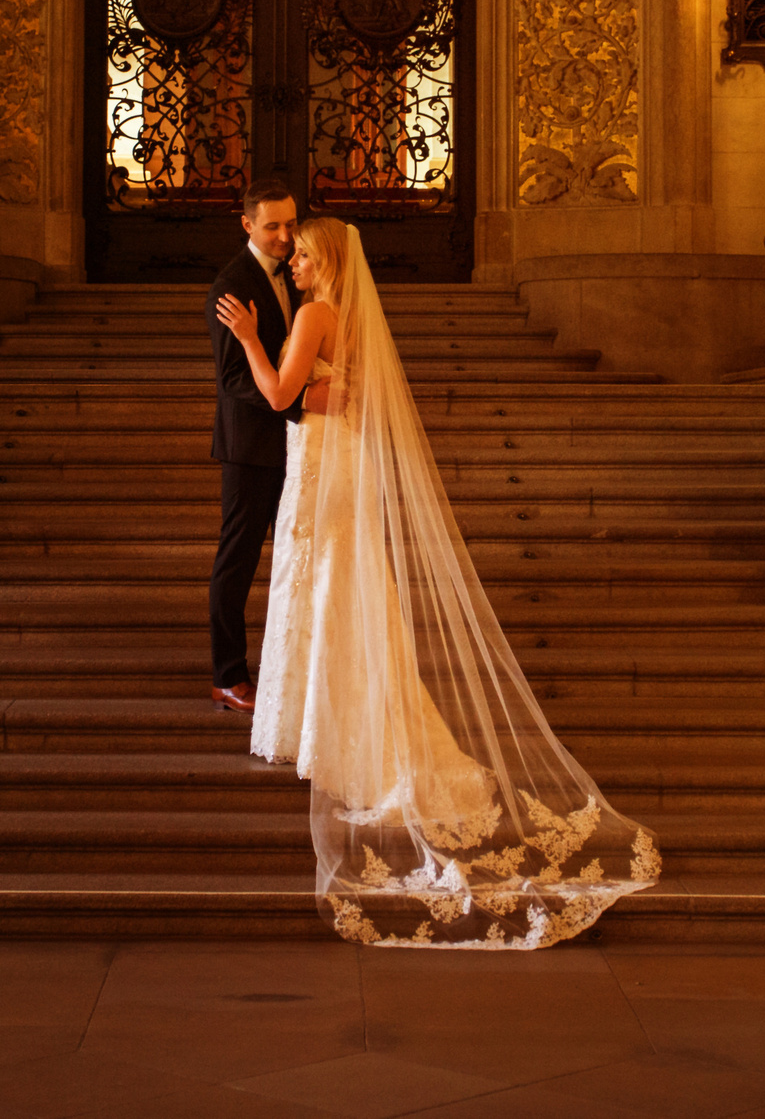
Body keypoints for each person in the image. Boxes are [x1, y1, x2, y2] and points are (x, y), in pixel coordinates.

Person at [215, 217, 662, 948]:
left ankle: (336, 734)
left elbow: (274, 394)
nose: (290, 262)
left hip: (325, 473)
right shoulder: (346, 316)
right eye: (288, 251)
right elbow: (332, 393)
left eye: (300, 253)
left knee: (326, 588)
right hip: (336, 463)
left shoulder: (318, 313)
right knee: (345, 593)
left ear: (323, 260)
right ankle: (341, 722)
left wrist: (248, 341)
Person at [205, 177, 321, 713]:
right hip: (252, 447)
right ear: (247, 224)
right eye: (272, 225)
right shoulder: (231, 282)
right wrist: (294, 402)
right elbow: (232, 378)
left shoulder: (303, 272)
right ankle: (228, 675)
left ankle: (292, 670)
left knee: (298, 560)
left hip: (297, 447)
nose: (284, 236)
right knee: (239, 560)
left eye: (290, 223)